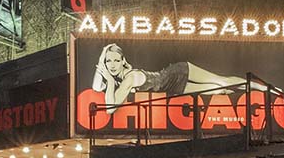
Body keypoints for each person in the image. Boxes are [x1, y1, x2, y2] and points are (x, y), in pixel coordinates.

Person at [91, 44, 268, 109]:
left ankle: (261, 87)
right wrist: (103, 68)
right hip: (172, 88)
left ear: (123, 61)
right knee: (219, 91)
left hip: (176, 72)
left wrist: (107, 75)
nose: (112, 64)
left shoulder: (128, 78)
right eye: (108, 61)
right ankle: (252, 94)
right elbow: (96, 88)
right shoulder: (119, 78)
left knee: (220, 80)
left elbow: (110, 108)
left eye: (115, 60)